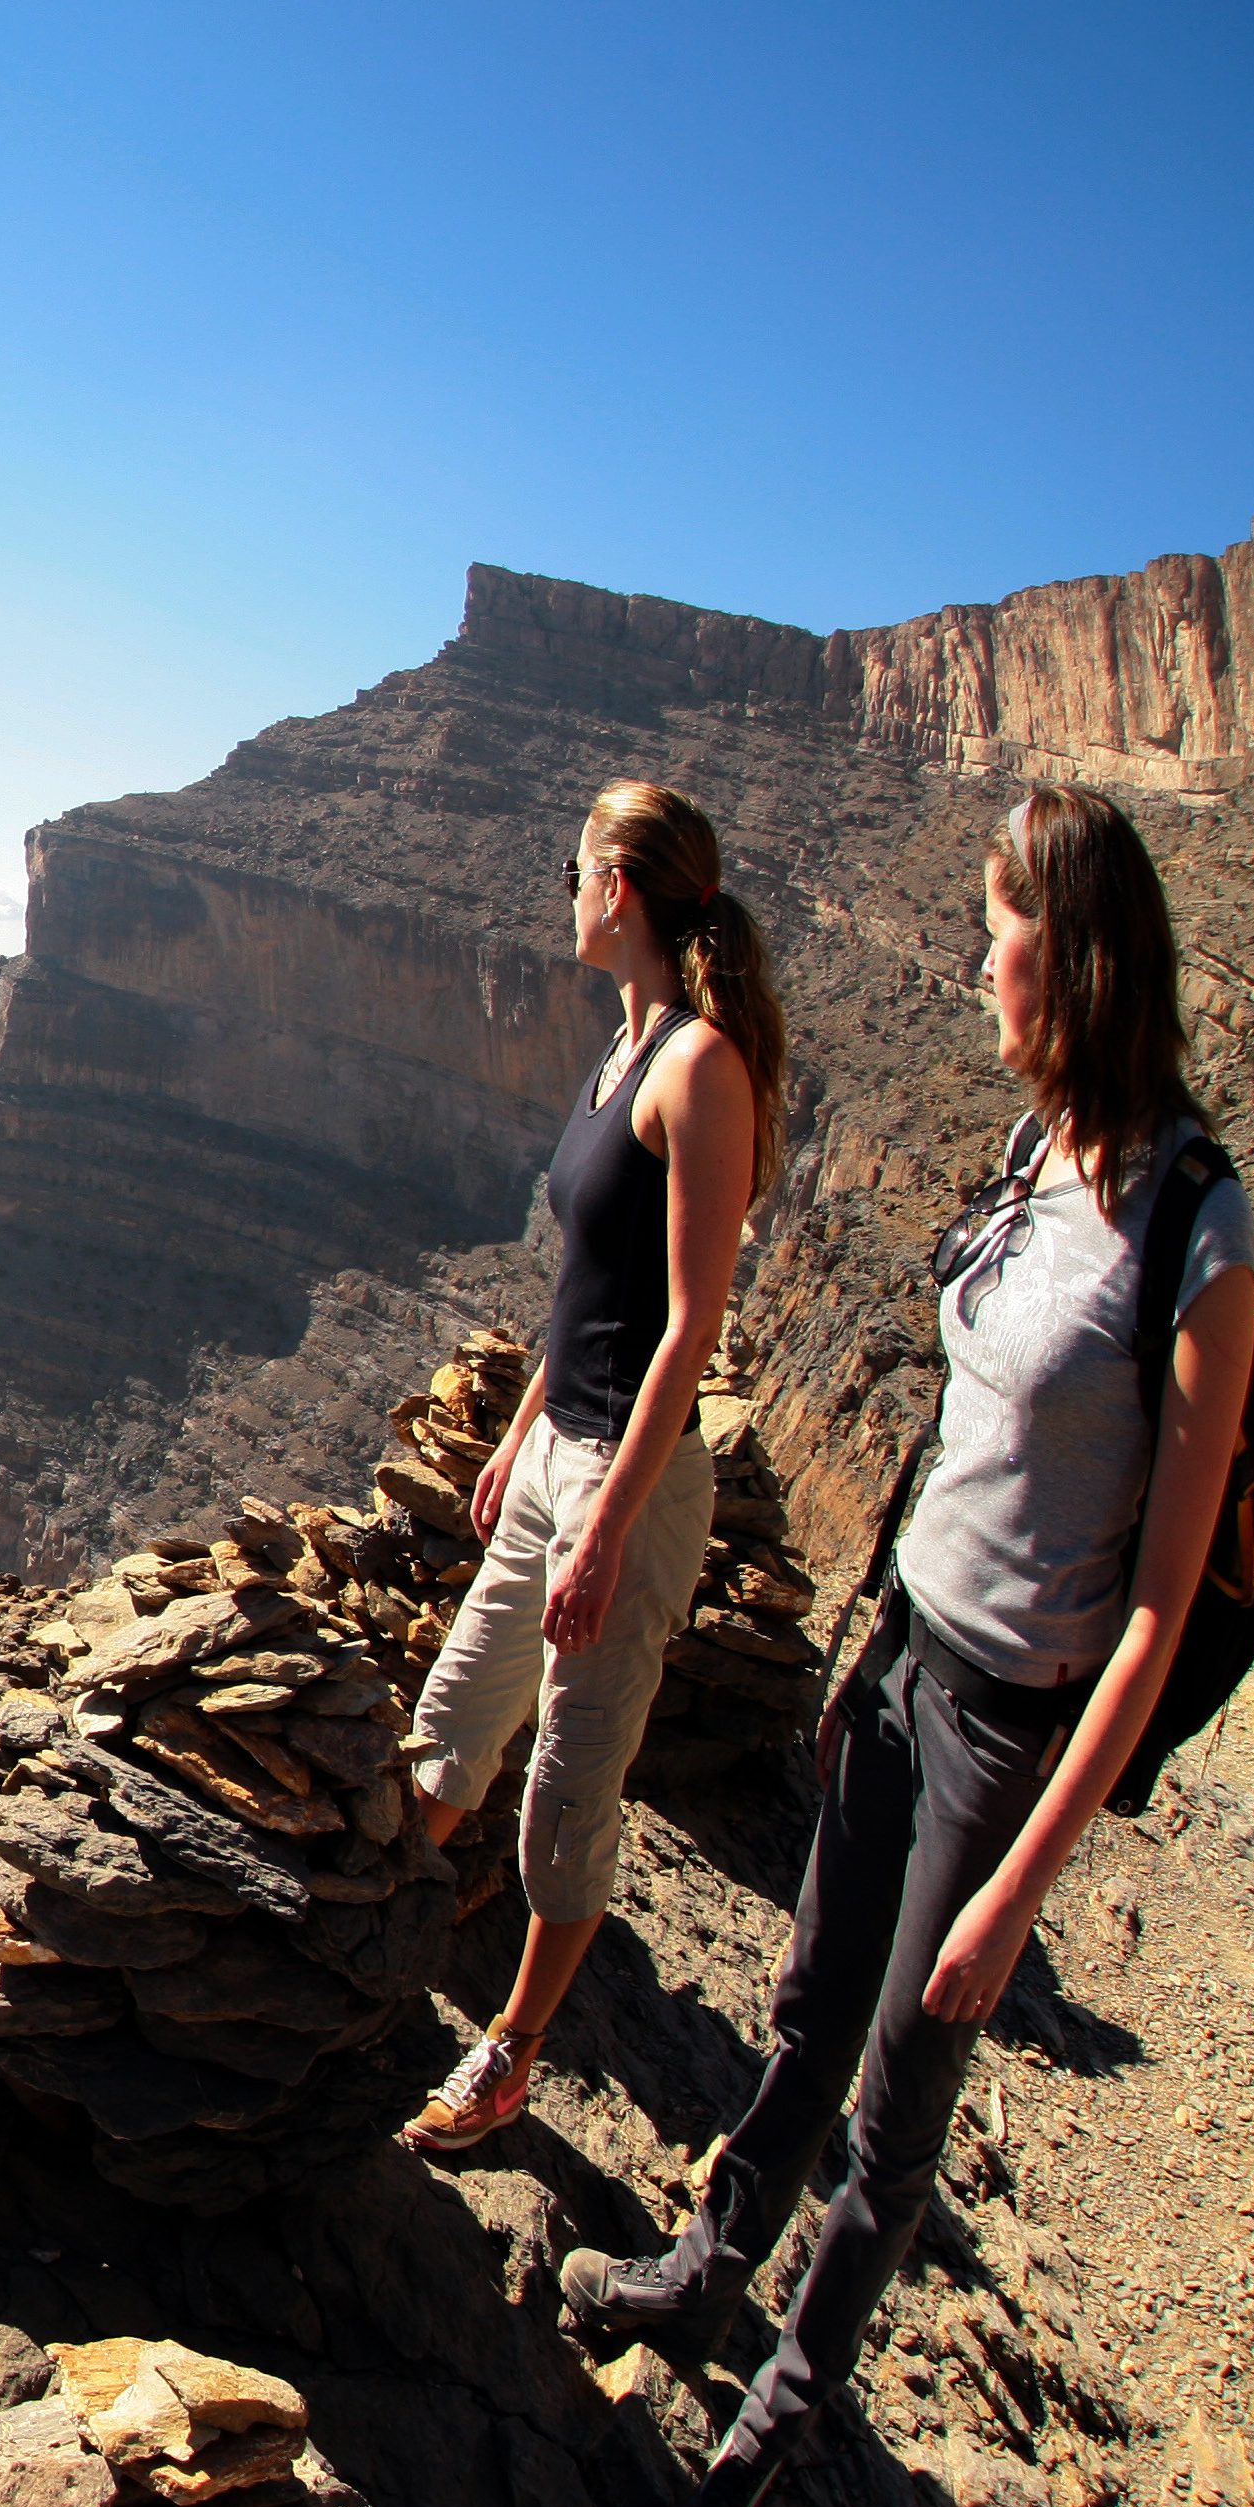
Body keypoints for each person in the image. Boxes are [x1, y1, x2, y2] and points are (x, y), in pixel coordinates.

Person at [557, 784, 1254, 2507]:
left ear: (1071, 954)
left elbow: (1161, 1609)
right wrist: (863, 1639)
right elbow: (957, 1437)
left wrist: (1022, 1881)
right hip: (902, 1660)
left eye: (993, 933)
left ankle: (779, 2427)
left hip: (1015, 1724)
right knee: (804, 2004)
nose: (968, 966)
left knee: (893, 2099)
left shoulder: (1198, 1236)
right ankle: (705, 2279)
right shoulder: (1034, 1158)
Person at [398, 781, 785, 2156]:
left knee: (568, 1782)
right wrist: (515, 1437)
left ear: (617, 889)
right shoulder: (615, 1057)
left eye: (573, 872)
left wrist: (607, 1522)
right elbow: (589, 1285)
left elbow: (688, 1320)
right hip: (556, 1453)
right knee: (455, 1715)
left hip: (633, 1480)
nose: (562, 893)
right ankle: (368, 1947)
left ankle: (508, 2052)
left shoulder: (698, 1069)